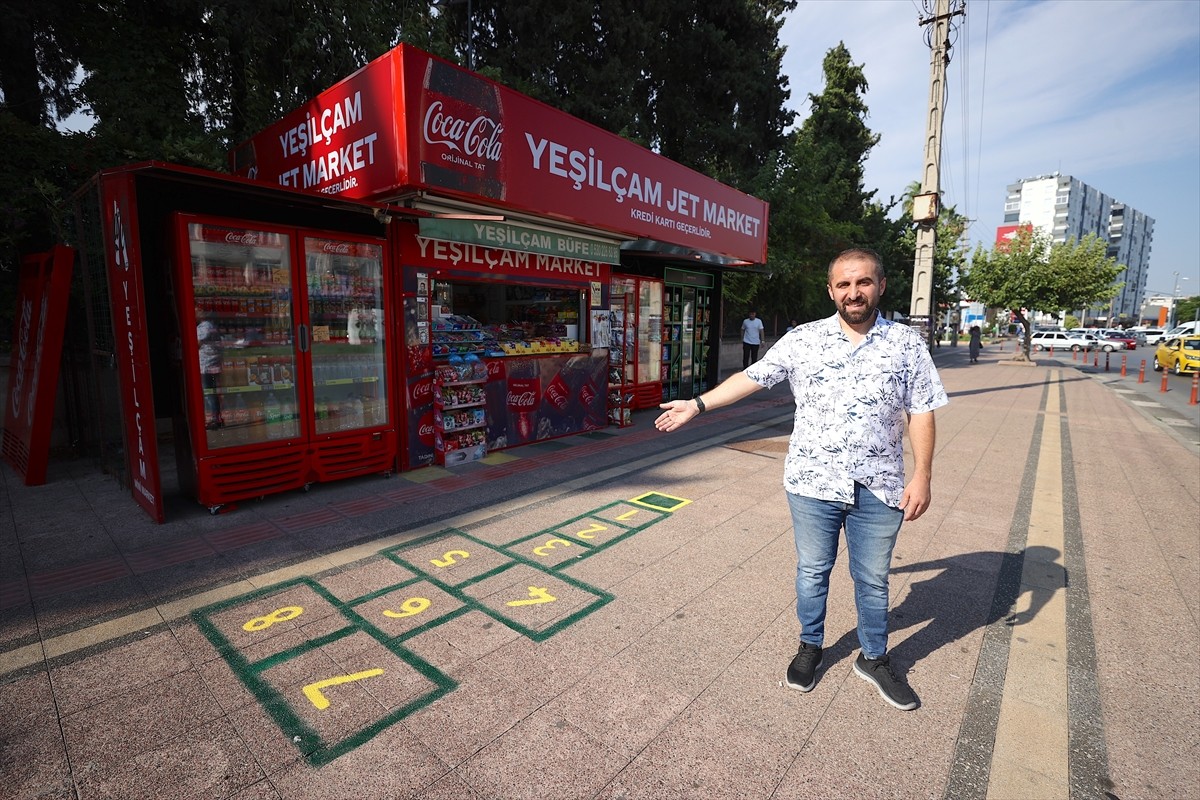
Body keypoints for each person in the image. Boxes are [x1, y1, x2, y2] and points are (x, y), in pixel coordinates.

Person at [656, 248, 948, 711]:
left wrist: (924, 475)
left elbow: (922, 411)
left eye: (864, 282)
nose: (854, 292)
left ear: (881, 286)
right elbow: (752, 377)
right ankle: (811, 646)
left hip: (881, 485)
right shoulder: (802, 340)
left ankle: (874, 658)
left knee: (872, 578)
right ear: (831, 290)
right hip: (813, 484)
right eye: (844, 284)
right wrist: (699, 404)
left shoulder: (907, 344)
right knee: (813, 572)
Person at [197, 311, 224, 428]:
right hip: (212, 363)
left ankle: (215, 420)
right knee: (212, 392)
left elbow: (197, 343)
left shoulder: (205, 326)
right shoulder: (211, 325)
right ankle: (217, 418)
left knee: (209, 392)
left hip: (206, 365)